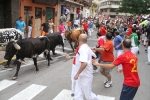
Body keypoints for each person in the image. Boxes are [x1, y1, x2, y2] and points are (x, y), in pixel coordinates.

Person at [74, 34, 99, 100]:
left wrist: (77, 74)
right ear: (87, 40)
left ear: (78, 40)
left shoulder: (83, 49)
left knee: (89, 96)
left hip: (85, 76)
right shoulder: (86, 47)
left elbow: (84, 63)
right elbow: (94, 56)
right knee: (78, 92)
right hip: (82, 75)